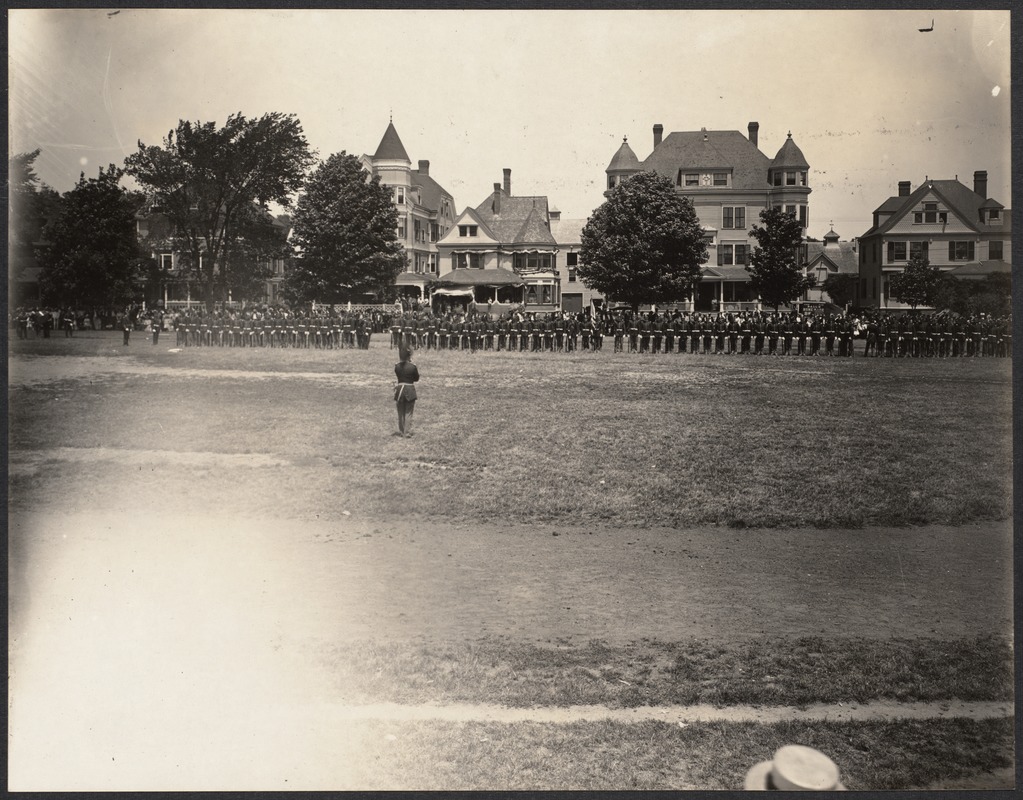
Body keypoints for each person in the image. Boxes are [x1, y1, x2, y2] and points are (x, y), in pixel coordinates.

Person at [393, 346, 420, 438]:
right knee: (408, 412)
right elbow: (416, 378)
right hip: (409, 389)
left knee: (400, 411)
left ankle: (401, 431)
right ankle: (407, 432)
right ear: (409, 356)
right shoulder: (413, 367)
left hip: (400, 389)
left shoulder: (396, 366)